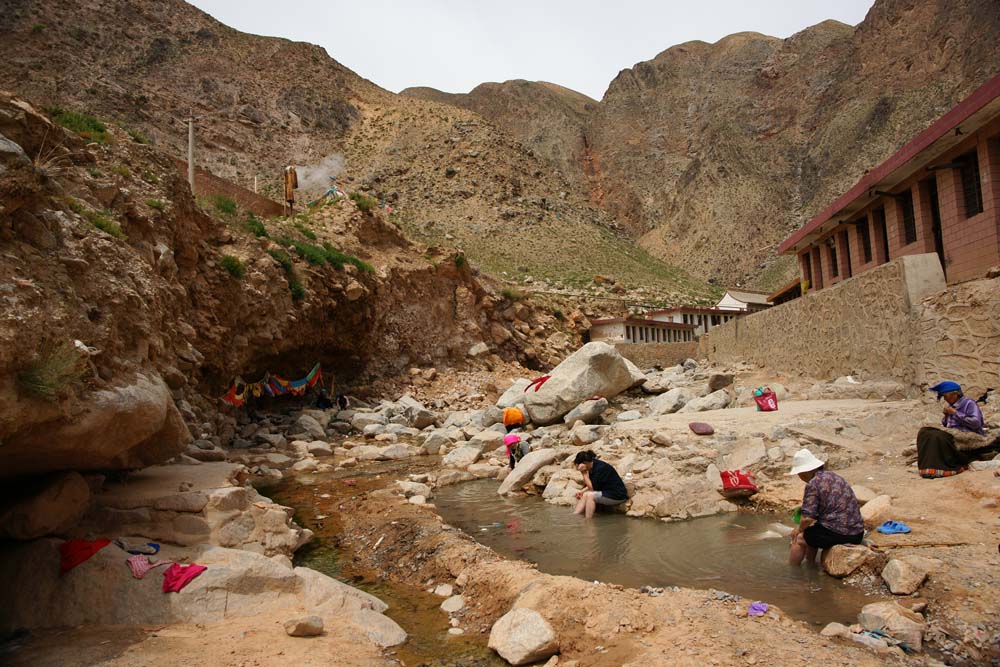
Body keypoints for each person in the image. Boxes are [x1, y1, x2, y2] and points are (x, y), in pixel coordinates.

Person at [787, 448, 864, 566]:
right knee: (812, 533)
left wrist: (798, 529)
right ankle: (810, 565)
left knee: (799, 538)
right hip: (857, 533)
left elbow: (807, 518)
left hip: (842, 534)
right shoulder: (835, 477)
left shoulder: (813, 484)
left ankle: (791, 571)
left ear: (804, 472)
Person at [916, 381, 996, 478]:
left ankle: (941, 466)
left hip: (967, 436)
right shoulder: (951, 406)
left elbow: (976, 423)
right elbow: (947, 425)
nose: (944, 398)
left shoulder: (969, 403)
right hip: (954, 433)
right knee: (925, 432)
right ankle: (927, 467)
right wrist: (946, 416)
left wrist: (955, 413)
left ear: (955, 394)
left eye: (945, 396)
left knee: (936, 437)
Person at [573, 450, 628, 518]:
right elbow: (594, 484)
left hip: (617, 495)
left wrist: (583, 473)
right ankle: (575, 515)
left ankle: (588, 521)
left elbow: (592, 489)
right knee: (585, 494)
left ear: (585, 463)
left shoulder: (600, 468)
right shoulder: (593, 465)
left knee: (590, 496)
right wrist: (582, 491)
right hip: (607, 492)